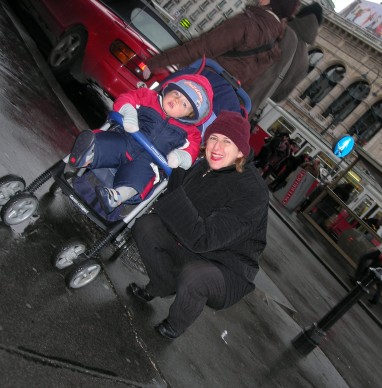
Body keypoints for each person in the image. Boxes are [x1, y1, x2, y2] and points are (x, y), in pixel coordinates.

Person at [128, 111, 269, 340]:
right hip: (190, 246)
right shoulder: (203, 165)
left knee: (194, 276)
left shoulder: (253, 191)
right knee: (146, 226)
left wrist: (175, 184)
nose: (217, 147)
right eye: (214, 138)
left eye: (227, 141)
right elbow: (173, 213)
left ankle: (176, 323)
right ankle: (162, 284)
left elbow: (204, 238)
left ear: (241, 151)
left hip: (226, 267)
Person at [68, 72, 213, 214]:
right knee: (110, 142)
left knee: (140, 180)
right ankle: (87, 155)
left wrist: (180, 157)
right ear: (170, 88)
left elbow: (193, 150)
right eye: (177, 94)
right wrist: (129, 112)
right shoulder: (149, 97)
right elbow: (127, 98)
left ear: (190, 115)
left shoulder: (190, 133)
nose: (176, 100)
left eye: (184, 104)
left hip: (149, 162)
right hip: (126, 140)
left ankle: (116, 197)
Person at [145, 0, 300, 92]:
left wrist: (155, 63)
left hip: (192, 85)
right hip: (214, 97)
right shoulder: (274, 41)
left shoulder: (248, 23)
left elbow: (202, 47)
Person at [248, 2, 324, 116]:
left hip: (230, 89)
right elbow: (279, 97)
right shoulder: (304, 61)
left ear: (300, 13)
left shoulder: (280, 30)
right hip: (248, 109)